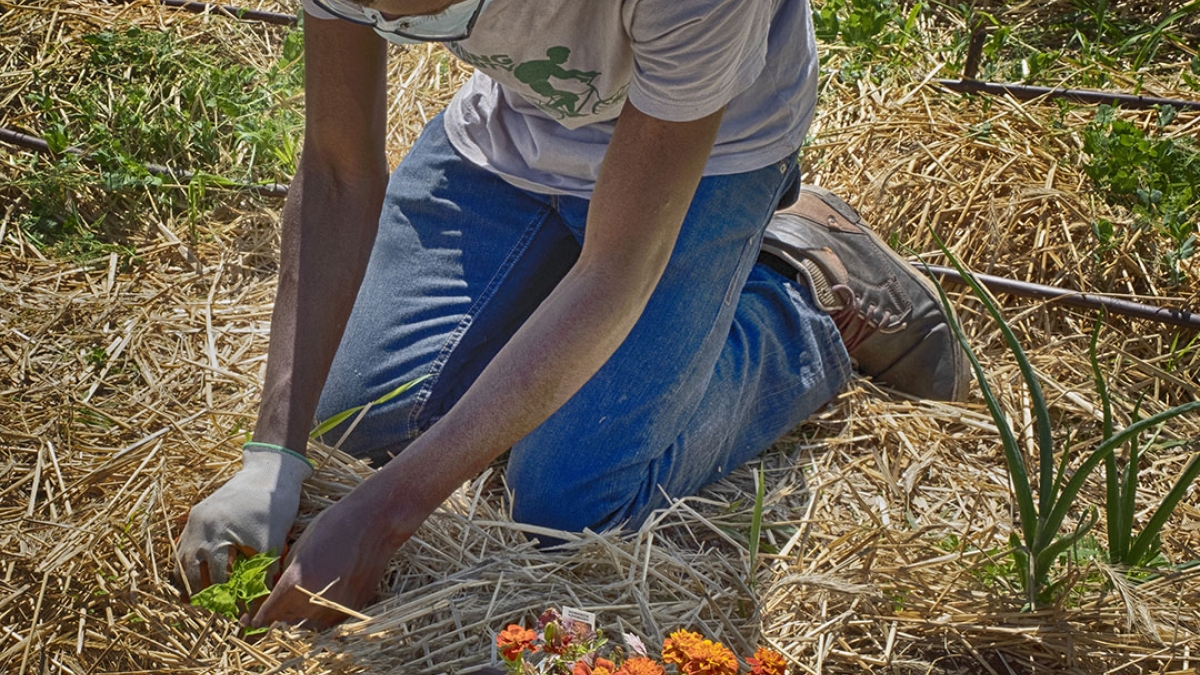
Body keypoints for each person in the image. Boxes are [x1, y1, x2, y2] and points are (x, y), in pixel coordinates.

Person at [177, 0, 969, 630]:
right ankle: (547, 283)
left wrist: (389, 511)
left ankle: (809, 290)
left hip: (707, 157)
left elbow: (617, 268)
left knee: (571, 500)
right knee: (358, 416)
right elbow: (337, 172)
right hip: (520, 141)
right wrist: (271, 456)